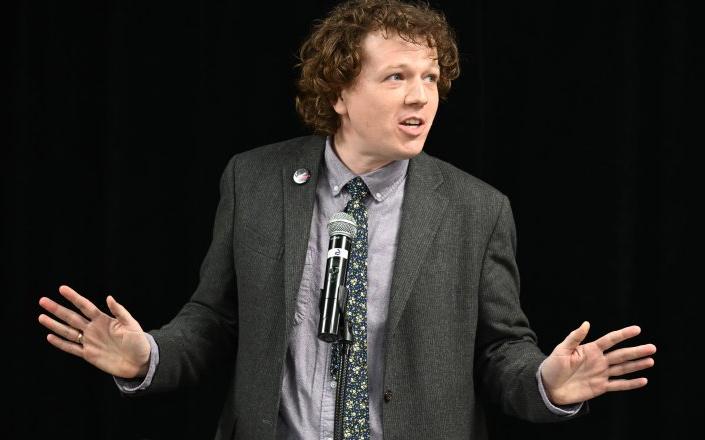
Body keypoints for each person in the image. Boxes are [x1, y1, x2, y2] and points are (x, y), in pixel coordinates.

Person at [37, 1, 657, 439]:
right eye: (396, 78)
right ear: (338, 91)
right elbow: (213, 319)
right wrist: (147, 355)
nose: (421, 97)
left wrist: (547, 381)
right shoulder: (253, 181)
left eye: (431, 78)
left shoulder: (477, 208)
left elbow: (501, 350)